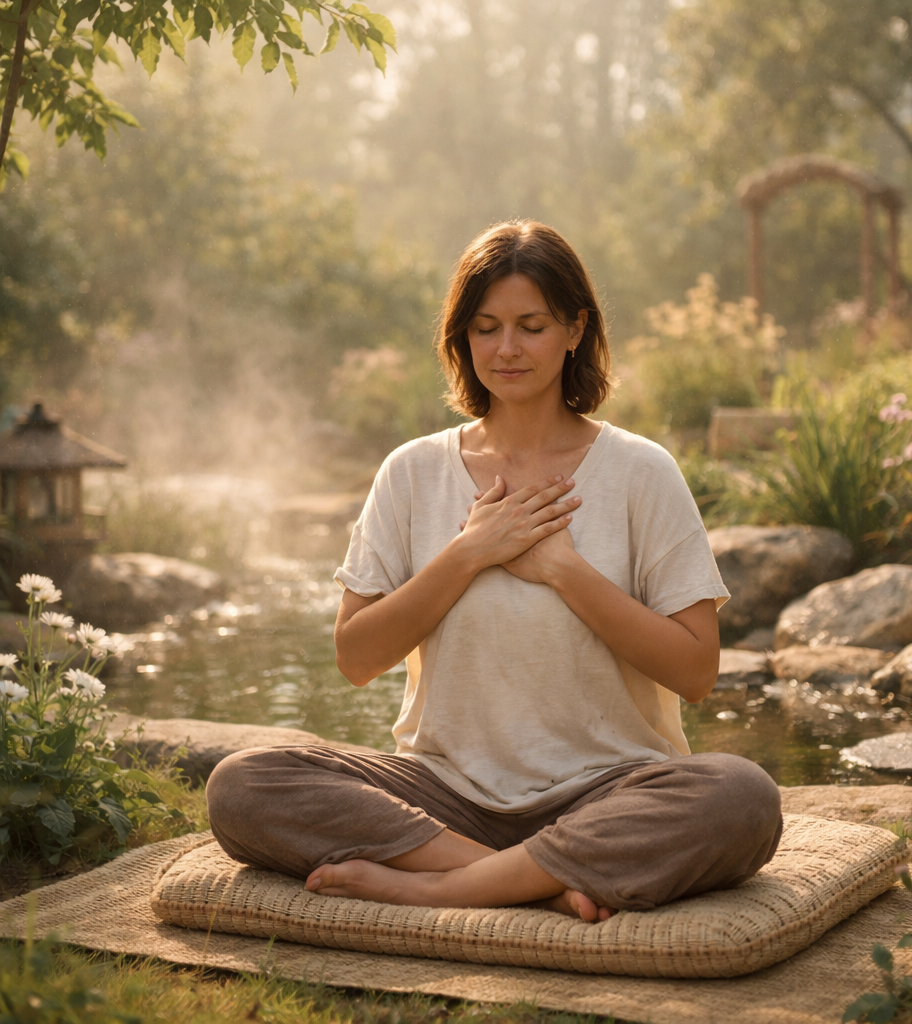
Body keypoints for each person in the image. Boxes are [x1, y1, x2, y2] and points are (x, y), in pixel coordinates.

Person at [207, 220, 783, 923]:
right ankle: (530, 881)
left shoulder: (640, 472)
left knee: (741, 798)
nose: (506, 349)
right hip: (443, 798)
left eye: (531, 326)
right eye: (485, 328)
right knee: (244, 784)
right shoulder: (412, 472)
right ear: (461, 338)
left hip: (606, 792)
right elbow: (356, 657)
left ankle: (441, 888)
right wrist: (467, 554)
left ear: (575, 329)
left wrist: (565, 572)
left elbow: (695, 672)